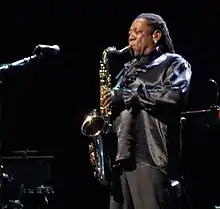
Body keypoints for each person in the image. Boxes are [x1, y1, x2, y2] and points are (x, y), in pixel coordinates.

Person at [101, 13, 192, 209]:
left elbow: (173, 97)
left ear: (156, 35)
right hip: (120, 160)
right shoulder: (127, 69)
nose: (131, 37)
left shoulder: (174, 63)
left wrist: (130, 96)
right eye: (129, 33)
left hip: (149, 157)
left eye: (137, 31)